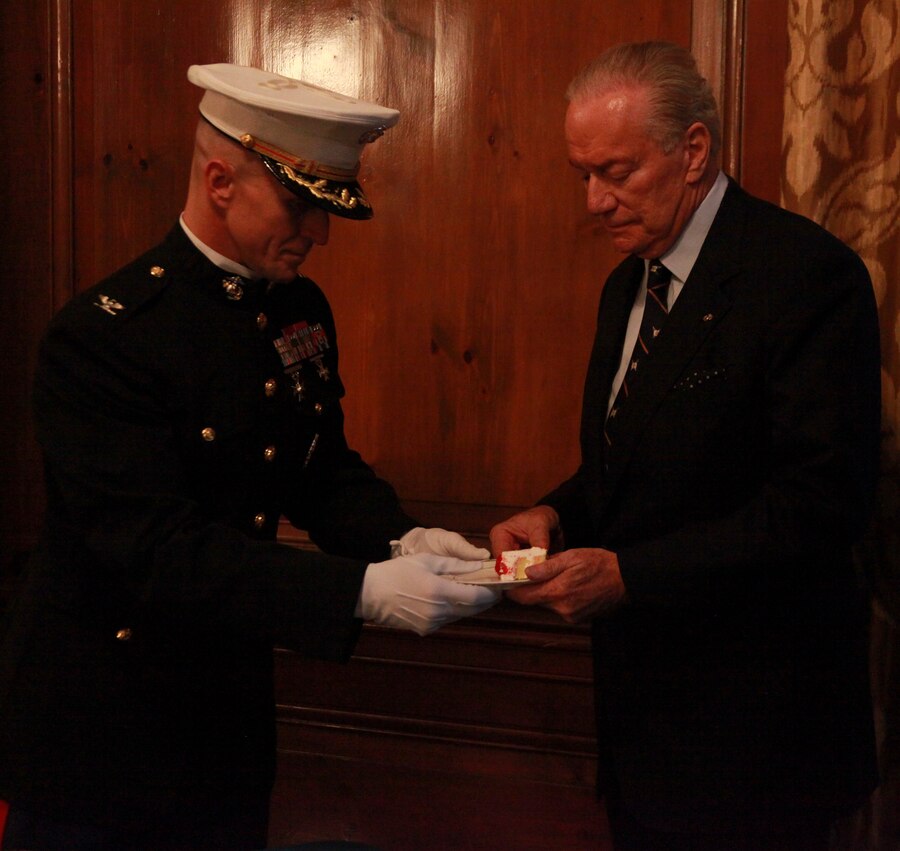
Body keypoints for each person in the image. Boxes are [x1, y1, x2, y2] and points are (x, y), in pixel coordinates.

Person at [0, 63, 498, 851]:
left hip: (223, 729)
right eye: (302, 204)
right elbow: (156, 551)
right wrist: (360, 592)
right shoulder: (103, 338)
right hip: (102, 744)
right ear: (220, 180)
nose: (321, 233)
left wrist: (400, 538)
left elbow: (315, 465)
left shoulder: (294, 308)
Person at [491, 41, 881, 850]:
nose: (595, 200)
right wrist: (555, 514)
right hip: (643, 728)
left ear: (693, 151)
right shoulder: (627, 279)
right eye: (582, 175)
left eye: (617, 171)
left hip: (758, 736)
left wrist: (631, 573)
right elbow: (630, 462)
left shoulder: (804, 274)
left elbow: (823, 504)